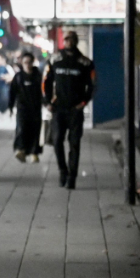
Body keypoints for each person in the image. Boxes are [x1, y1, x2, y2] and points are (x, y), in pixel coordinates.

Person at [44, 31, 95, 189]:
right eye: (66, 39)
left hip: (75, 109)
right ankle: (62, 171)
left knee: (74, 143)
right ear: (63, 41)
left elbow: (92, 85)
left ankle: (72, 176)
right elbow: (45, 82)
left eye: (72, 39)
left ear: (76, 41)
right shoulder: (54, 60)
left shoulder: (85, 63)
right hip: (58, 108)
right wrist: (47, 102)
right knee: (57, 140)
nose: (69, 42)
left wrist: (84, 102)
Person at [9, 52, 44, 163]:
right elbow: (12, 92)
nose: (27, 65)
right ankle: (21, 150)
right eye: (25, 63)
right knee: (21, 128)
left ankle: (34, 152)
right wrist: (10, 106)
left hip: (35, 108)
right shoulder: (18, 77)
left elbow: (44, 91)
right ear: (22, 63)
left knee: (35, 130)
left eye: (29, 63)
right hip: (22, 108)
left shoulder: (38, 76)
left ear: (33, 63)